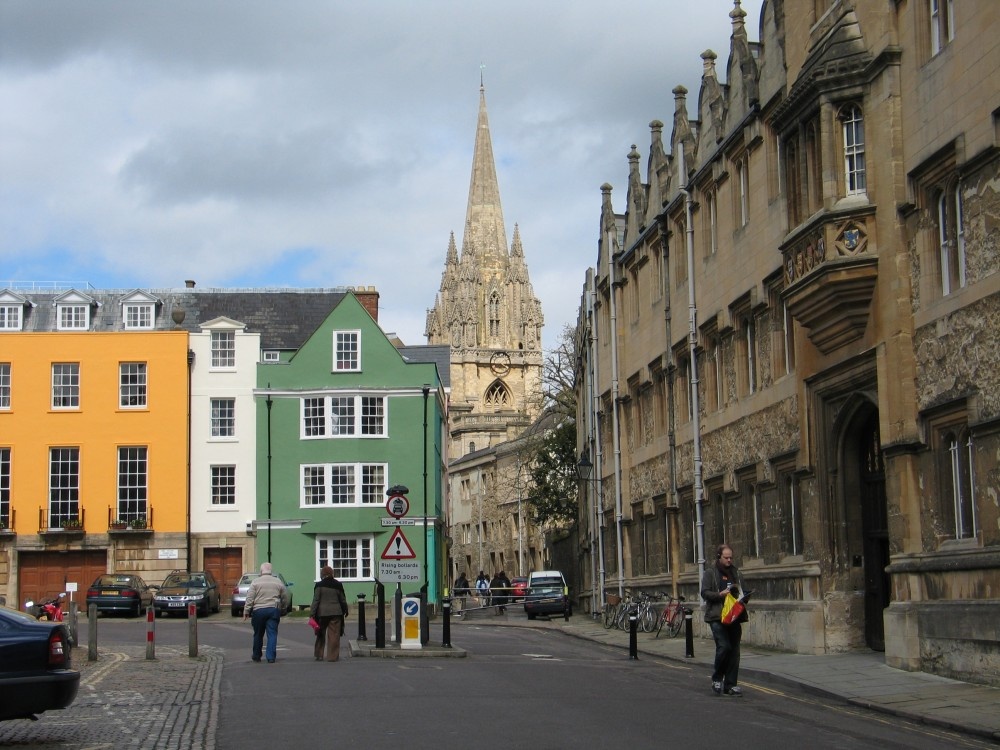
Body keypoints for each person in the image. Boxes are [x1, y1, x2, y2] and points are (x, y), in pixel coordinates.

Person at [701, 544, 747, 696]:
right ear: (719, 557)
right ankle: (717, 679)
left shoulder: (736, 573)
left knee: (734, 651)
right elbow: (705, 593)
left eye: (731, 558)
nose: (729, 560)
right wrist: (720, 594)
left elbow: (742, 591)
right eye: (726, 557)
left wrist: (744, 597)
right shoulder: (710, 573)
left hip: (734, 617)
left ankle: (730, 685)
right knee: (724, 647)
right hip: (717, 616)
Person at [243, 562, 290, 663]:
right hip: (273, 609)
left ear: (261, 571)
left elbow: (250, 597)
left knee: (258, 634)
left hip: (258, 610)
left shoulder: (255, 582)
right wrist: (283, 607)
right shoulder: (277, 582)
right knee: (272, 633)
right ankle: (271, 656)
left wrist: (246, 610)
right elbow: (285, 596)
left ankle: (256, 655)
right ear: (271, 571)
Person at [310, 566, 348, 662]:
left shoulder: (319, 585)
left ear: (322, 574)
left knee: (320, 634)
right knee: (334, 635)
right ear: (332, 573)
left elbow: (316, 600)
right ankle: (332, 656)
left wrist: (312, 613)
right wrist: (345, 610)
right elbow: (342, 600)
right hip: (336, 612)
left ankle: (319, 654)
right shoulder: (338, 585)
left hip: (321, 613)